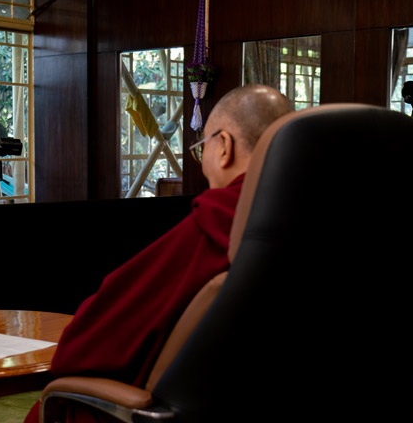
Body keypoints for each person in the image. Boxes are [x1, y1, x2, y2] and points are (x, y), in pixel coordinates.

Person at [23, 84, 294, 423]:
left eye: (201, 147)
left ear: (223, 146)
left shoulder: (226, 220)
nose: (202, 162)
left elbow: (85, 344)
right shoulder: (307, 224)